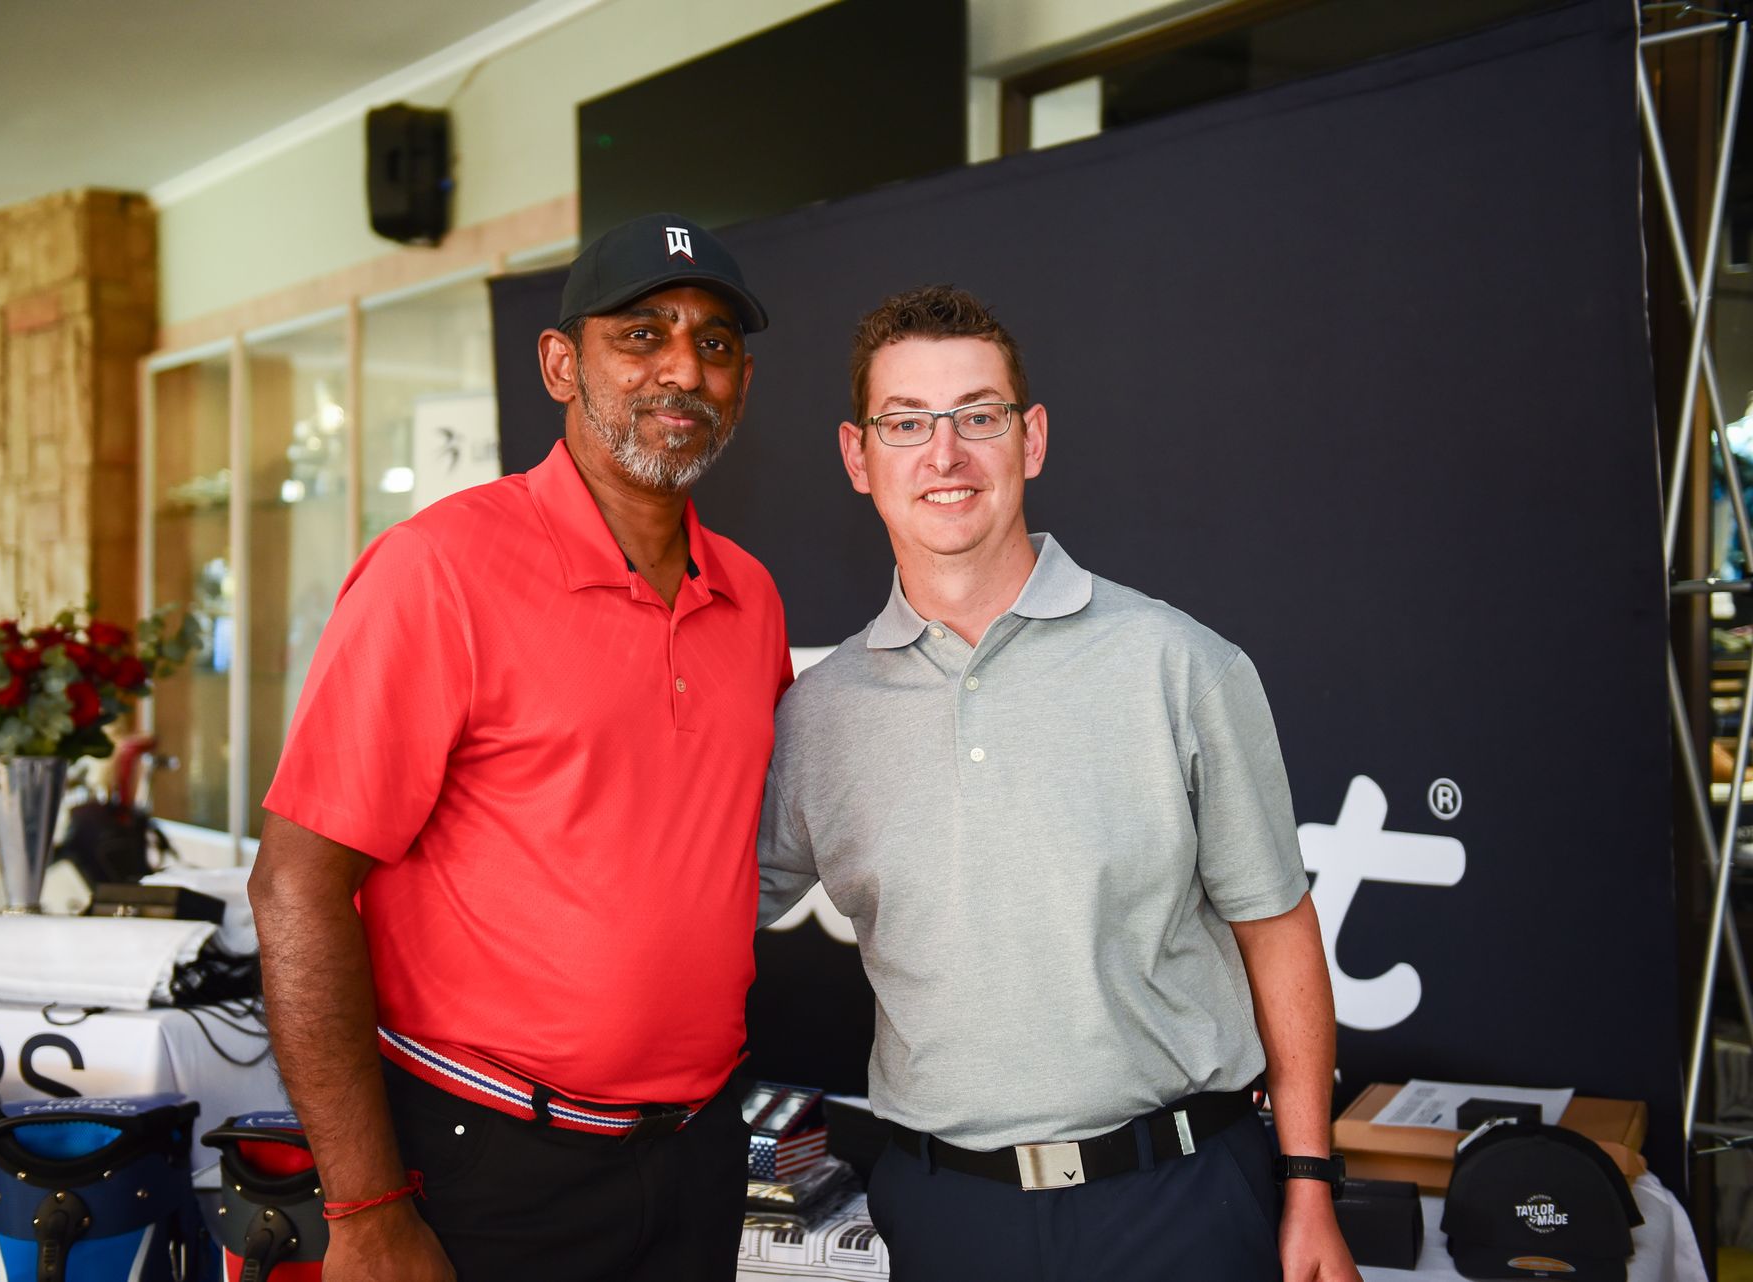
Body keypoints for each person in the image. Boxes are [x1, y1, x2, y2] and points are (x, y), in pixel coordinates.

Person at [757, 285, 1361, 1282]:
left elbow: (1278, 929)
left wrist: (1309, 1184)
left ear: (1030, 439)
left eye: (978, 416)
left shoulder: (1180, 664)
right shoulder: (817, 716)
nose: (944, 454)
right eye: (906, 422)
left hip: (1180, 1202)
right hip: (948, 1219)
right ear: (858, 457)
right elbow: (702, 917)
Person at [251, 212, 791, 1282]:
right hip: (486, 1162)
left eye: (716, 343)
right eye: (641, 335)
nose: (684, 368)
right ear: (559, 364)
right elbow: (296, 886)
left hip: (698, 1153)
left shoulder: (754, 596)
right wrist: (366, 1208)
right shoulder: (437, 571)